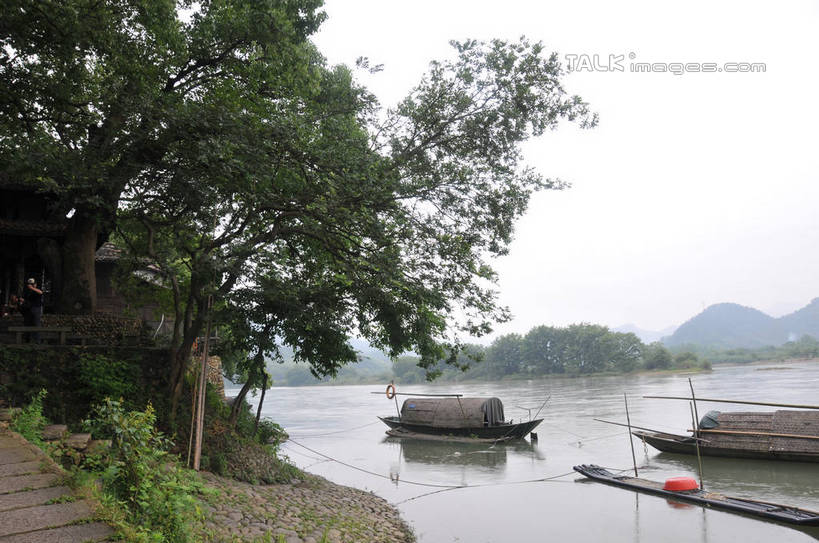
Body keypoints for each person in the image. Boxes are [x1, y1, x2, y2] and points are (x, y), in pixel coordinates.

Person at [24, 278, 43, 344]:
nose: (30, 285)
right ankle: (27, 340)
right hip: (29, 309)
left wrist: (32, 288)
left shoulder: (36, 290)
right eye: (29, 284)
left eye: (32, 284)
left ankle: (38, 341)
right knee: (27, 324)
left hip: (36, 308)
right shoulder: (27, 291)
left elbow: (40, 292)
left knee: (36, 324)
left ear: (35, 284)